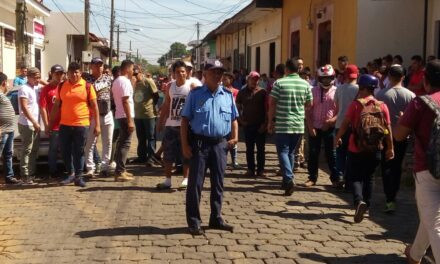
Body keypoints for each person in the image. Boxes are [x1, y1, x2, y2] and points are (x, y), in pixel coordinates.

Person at [181, 59, 239, 235]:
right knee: (195, 185)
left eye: (220, 72)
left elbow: (234, 119)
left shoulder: (227, 95)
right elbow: (184, 121)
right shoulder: (195, 94)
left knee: (218, 184)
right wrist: (184, 145)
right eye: (213, 72)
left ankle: (216, 218)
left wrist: (235, 137)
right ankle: (194, 221)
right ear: (204, 74)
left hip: (220, 145)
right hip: (200, 145)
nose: (217, 75)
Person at [394, 60, 440, 263]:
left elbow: (399, 136)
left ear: (425, 80)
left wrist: (404, 119)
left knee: (435, 222)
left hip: (428, 169)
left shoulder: (421, 103)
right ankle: (415, 254)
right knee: (429, 215)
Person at [334, 74, 394, 223]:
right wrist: (390, 147)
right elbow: (387, 129)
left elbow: (345, 123)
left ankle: (358, 201)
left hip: (356, 147)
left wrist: (337, 137)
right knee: (370, 177)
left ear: (362, 88)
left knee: (354, 177)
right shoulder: (382, 105)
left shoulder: (356, 105)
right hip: (375, 148)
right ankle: (367, 205)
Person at [49, 62, 101, 187]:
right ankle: (70, 174)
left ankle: (78, 177)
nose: (74, 74)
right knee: (65, 151)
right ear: (68, 73)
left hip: (81, 125)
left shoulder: (87, 86)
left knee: (79, 151)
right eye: (72, 72)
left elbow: (95, 107)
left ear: (81, 72)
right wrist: (50, 122)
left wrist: (97, 125)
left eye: (77, 71)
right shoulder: (61, 86)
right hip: (64, 125)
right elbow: (56, 105)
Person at [268, 58, 313, 196]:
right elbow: (310, 104)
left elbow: (272, 103)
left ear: (287, 69)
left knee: (283, 151)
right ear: (298, 69)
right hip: (298, 124)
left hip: (283, 123)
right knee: (291, 153)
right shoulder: (305, 84)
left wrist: (270, 121)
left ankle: (288, 179)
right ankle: (286, 181)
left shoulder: (279, 83)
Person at [376, 64, 415, 213]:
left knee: (386, 165)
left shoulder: (381, 95)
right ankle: (393, 195)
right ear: (403, 77)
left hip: (384, 135)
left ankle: (388, 195)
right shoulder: (410, 95)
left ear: (389, 77)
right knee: (397, 165)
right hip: (403, 135)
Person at [304, 64, 342, 188]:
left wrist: (331, 121)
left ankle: (335, 178)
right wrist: (310, 127)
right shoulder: (313, 91)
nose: (326, 81)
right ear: (319, 79)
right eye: (323, 78)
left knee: (331, 154)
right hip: (315, 127)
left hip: (330, 128)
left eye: (328, 78)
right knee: (313, 153)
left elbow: (341, 112)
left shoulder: (337, 91)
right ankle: (312, 178)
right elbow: (308, 110)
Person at [156, 60, 191, 189]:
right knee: (168, 154)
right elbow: (166, 105)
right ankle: (167, 180)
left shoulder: (191, 86)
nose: (181, 74)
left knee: (186, 153)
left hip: (186, 126)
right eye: (178, 72)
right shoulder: (170, 86)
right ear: (173, 74)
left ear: (186, 73)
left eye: (183, 71)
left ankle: (186, 179)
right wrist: (160, 122)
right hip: (171, 125)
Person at [83, 57, 114, 178]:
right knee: (90, 143)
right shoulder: (86, 79)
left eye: (101, 65)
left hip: (107, 113)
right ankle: (90, 168)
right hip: (92, 116)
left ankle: (104, 167)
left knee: (108, 142)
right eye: (96, 65)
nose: (99, 67)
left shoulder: (108, 78)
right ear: (91, 66)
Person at [236, 71, 267, 177]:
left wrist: (265, 123)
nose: (255, 81)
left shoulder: (263, 92)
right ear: (248, 79)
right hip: (248, 124)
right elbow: (237, 107)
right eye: (253, 79)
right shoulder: (242, 92)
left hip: (260, 125)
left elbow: (267, 109)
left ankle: (261, 170)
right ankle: (250, 169)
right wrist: (241, 120)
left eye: (257, 79)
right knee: (249, 148)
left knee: (261, 149)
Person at [334, 64, 359, 189]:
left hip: (340, 123)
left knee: (340, 152)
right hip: (355, 126)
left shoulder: (339, 89)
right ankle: (349, 179)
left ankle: (339, 176)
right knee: (352, 153)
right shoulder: (359, 89)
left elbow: (337, 107)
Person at [112, 60, 136, 182]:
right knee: (125, 144)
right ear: (127, 69)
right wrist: (130, 120)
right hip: (125, 115)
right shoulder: (125, 81)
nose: (133, 71)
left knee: (122, 143)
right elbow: (125, 101)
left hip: (120, 115)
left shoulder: (117, 81)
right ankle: (120, 171)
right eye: (132, 69)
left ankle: (121, 169)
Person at [39, 64, 65, 179]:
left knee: (67, 149)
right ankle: (53, 171)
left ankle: (69, 170)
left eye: (61, 74)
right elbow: (42, 108)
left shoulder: (66, 86)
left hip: (67, 124)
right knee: (53, 149)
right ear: (52, 74)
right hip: (54, 125)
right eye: (57, 74)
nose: (59, 76)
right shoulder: (46, 89)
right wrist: (46, 124)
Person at [132, 65, 160, 167]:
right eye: (133, 74)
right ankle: (141, 157)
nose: (135, 76)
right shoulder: (133, 83)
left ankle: (151, 158)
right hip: (137, 115)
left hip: (149, 115)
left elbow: (156, 96)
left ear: (141, 72)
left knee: (151, 136)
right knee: (141, 137)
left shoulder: (148, 81)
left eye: (136, 73)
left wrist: (150, 107)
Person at [18, 67, 41, 184]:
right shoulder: (24, 89)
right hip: (27, 124)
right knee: (27, 150)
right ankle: (24, 175)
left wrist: (39, 80)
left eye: (39, 77)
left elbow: (49, 85)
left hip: (34, 124)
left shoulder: (35, 88)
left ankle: (31, 173)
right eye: (36, 78)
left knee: (34, 150)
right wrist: (34, 122)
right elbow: (24, 108)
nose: (38, 80)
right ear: (29, 77)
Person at [0, 73, 21, 184]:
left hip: (9, 130)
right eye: (7, 82)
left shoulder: (3, 95)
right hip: (2, 130)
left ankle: (9, 176)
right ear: (4, 83)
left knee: (8, 154)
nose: (8, 84)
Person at [222, 72, 240, 168]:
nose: (223, 81)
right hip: (223, 120)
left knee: (233, 140)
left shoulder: (236, 92)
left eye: (226, 79)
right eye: (223, 79)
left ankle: (234, 160)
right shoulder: (220, 91)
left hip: (232, 118)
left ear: (231, 80)